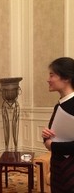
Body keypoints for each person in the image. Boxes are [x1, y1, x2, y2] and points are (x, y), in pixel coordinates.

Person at [41, 57, 74, 192]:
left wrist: (52, 145)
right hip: (58, 167)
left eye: (52, 75)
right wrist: (46, 136)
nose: (48, 79)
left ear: (66, 78)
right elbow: (53, 135)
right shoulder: (59, 105)